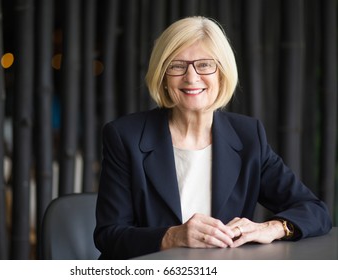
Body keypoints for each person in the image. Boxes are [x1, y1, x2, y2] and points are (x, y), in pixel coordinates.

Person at [94, 16, 332, 259]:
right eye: (177, 65)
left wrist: (271, 228)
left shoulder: (248, 136)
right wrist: (173, 236)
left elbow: (315, 210)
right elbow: (110, 235)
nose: (191, 77)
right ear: (163, 75)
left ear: (222, 73)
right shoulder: (125, 136)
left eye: (205, 64)